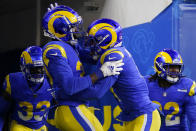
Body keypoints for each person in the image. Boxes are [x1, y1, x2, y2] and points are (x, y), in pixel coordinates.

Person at [42, 3, 124, 131]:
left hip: (77, 106)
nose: (76, 30)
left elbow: (93, 56)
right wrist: (100, 74)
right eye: (73, 27)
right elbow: (69, 87)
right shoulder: (54, 49)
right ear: (60, 29)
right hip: (69, 107)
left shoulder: (70, 47)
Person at [75, 18, 161, 131]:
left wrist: (68, 94)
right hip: (132, 117)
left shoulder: (113, 56)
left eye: (93, 41)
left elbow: (97, 92)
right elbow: (85, 55)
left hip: (143, 115)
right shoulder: (113, 52)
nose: (90, 45)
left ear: (105, 40)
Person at [0, 46, 53, 131]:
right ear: (23, 68)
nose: (39, 73)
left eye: (41, 68)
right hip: (21, 126)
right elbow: (2, 110)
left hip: (42, 127)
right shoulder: (13, 82)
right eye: (34, 70)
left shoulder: (52, 81)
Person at [145, 48, 196, 131]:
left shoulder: (186, 85)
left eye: (177, 68)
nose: (175, 72)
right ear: (159, 66)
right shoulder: (145, 84)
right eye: (171, 68)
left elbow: (194, 120)